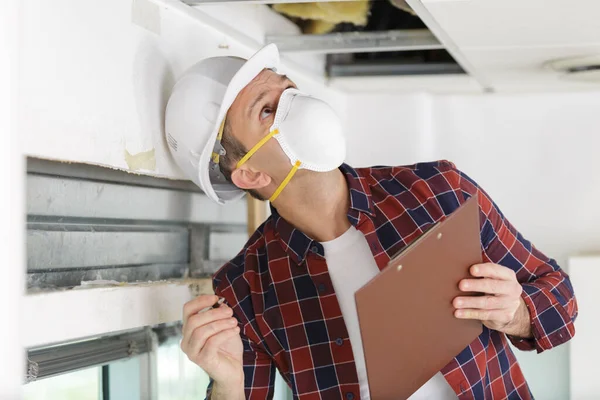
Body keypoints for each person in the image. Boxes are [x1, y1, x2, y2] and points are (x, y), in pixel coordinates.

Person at [165, 45, 578, 400]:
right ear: (252, 174)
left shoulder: (437, 191)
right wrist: (227, 385)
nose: (296, 108)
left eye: (289, 90)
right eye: (268, 110)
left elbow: (561, 300)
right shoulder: (246, 288)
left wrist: (515, 312)